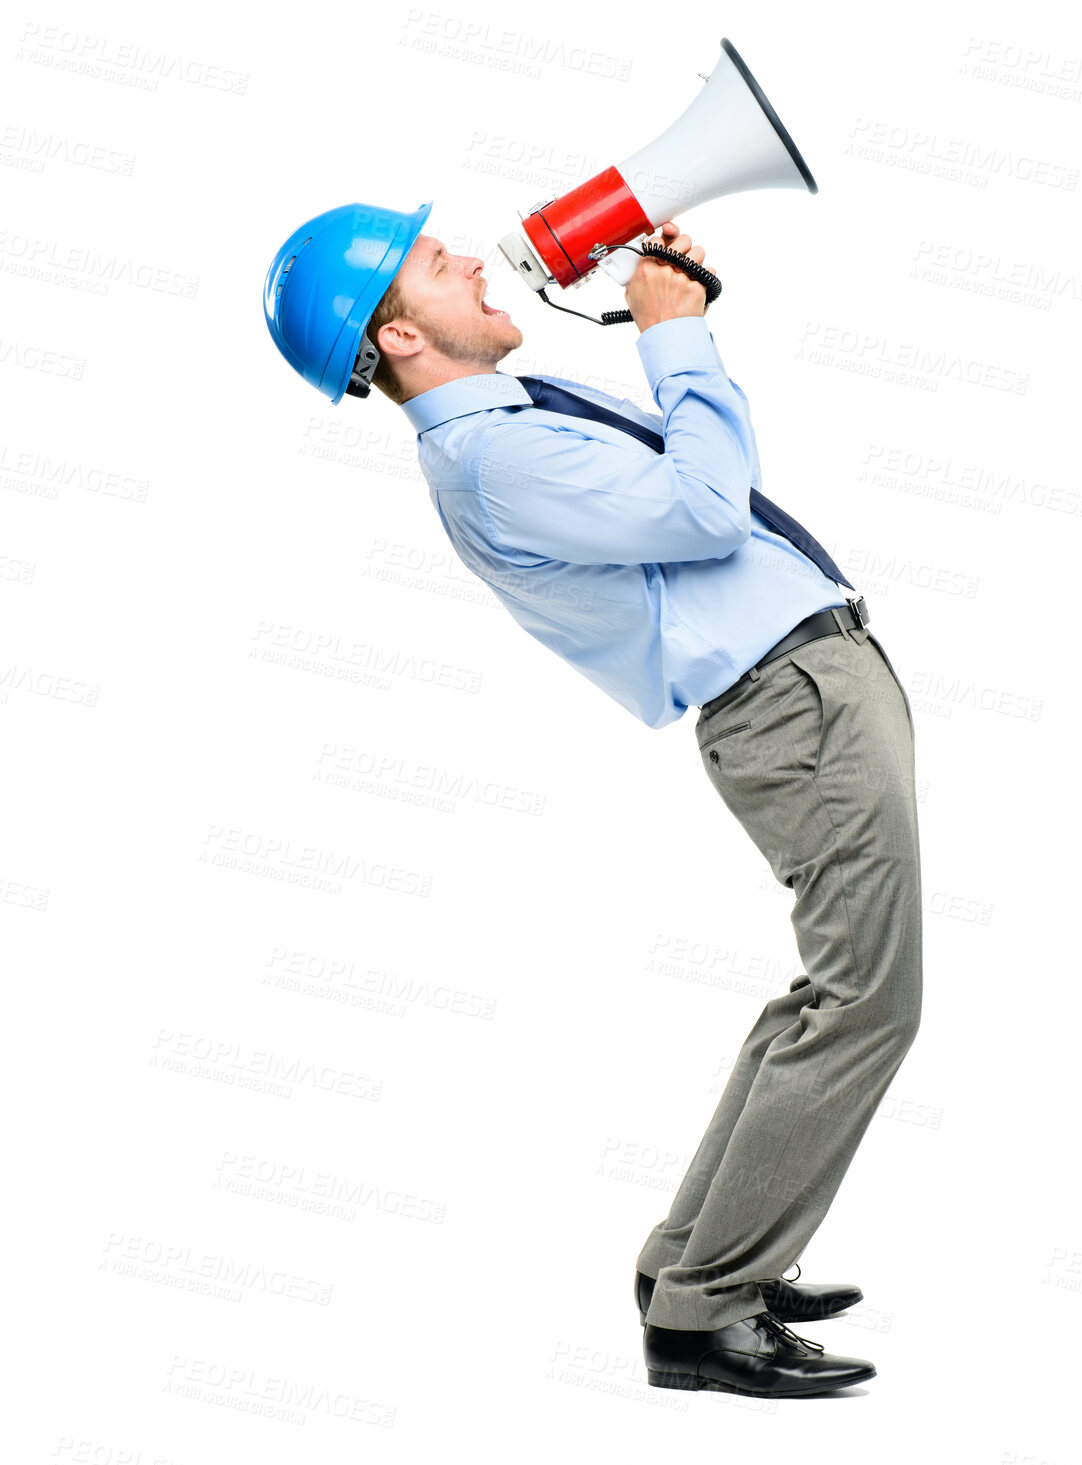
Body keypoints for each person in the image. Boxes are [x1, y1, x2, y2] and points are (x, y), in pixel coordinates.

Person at [262, 203, 923, 1399]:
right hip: (793, 701)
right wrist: (673, 340)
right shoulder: (491, 456)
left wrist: (653, 305)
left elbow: (689, 493)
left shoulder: (505, 422)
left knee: (826, 996)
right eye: (431, 263)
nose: (466, 253)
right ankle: (704, 1310)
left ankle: (696, 1259)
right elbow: (708, 505)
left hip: (803, 691)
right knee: (867, 1003)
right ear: (400, 337)